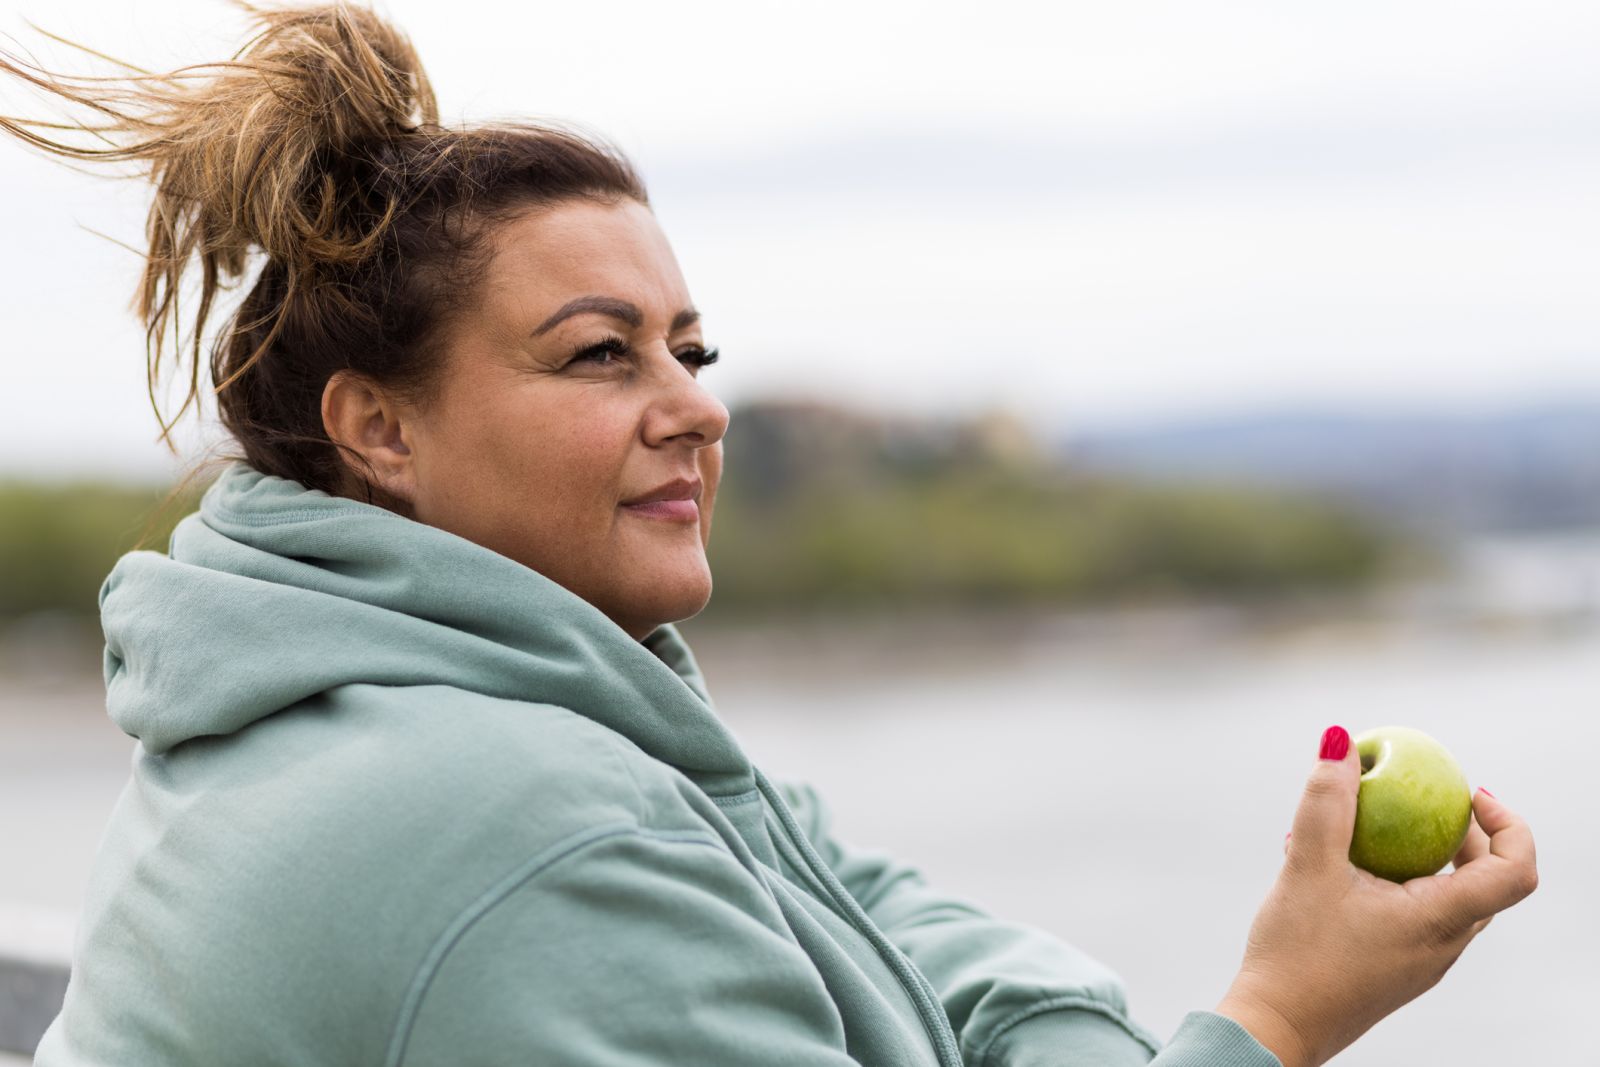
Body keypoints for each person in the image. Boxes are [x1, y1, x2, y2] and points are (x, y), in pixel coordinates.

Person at [3, 4, 1537, 1065]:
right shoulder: (515, 819)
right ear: (378, 429)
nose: (695, 408)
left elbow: (878, 916)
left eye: (693, 351)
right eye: (603, 355)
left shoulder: (476, 703)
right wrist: (1278, 1013)